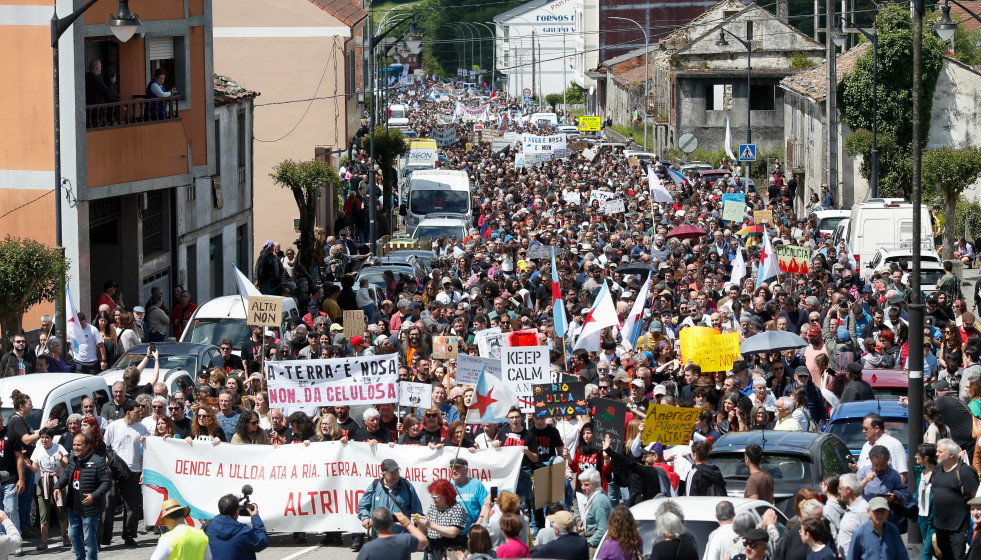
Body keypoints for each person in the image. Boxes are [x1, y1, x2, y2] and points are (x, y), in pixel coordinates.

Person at [53, 434, 111, 560]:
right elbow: (65, 476)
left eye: (79, 445)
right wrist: (57, 487)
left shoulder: (98, 461)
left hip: (90, 508)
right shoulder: (73, 460)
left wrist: (94, 496)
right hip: (74, 507)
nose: (75, 447)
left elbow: (107, 482)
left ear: (88, 446)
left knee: (89, 539)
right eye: (74, 444)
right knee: (73, 536)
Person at [102, 399, 149, 547]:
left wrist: (143, 469)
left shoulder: (142, 428)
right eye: (137, 411)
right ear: (128, 412)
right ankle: (105, 536)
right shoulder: (114, 426)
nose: (140, 414)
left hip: (133, 472)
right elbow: (106, 447)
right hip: (114, 472)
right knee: (108, 504)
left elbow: (148, 451)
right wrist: (108, 464)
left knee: (132, 506)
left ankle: (129, 535)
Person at [354, 459, 424, 551]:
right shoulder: (375, 486)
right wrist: (365, 518)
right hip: (379, 536)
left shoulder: (407, 486)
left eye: (397, 471)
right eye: (392, 473)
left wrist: (418, 528)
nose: (396, 475)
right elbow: (363, 505)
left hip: (401, 536)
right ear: (383, 474)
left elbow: (417, 509)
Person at [932, 439, 979, 560]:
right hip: (940, 524)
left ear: (951, 454)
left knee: (958, 556)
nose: (936, 454)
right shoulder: (937, 470)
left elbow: (975, 497)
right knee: (945, 555)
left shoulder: (964, 471)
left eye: (940, 451)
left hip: (958, 526)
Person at [27, 428, 69, 551]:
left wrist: (61, 459)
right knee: (44, 512)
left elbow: (66, 464)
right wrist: (29, 466)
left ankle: (64, 536)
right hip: (43, 480)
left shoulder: (59, 447)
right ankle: (44, 541)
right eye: (42, 437)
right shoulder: (38, 449)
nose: (44, 440)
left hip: (58, 480)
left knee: (61, 509)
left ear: (51, 438)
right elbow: (35, 468)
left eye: (47, 437)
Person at [203, 493, 268, 560]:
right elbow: (262, 542)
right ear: (237, 511)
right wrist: (255, 517)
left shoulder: (208, 527)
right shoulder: (243, 531)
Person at [416, 479, 467, 560]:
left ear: (446, 495)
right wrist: (420, 523)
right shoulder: (433, 507)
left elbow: (453, 533)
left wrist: (431, 525)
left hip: (449, 552)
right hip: (432, 551)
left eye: (436, 497)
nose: (434, 500)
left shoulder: (457, 509)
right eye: (432, 497)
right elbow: (425, 532)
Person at [356, 507, 428, 560]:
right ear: (391, 521)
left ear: (373, 525)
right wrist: (408, 524)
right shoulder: (405, 540)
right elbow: (423, 541)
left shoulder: (368, 548)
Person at [449, 458, 490, 532]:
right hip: (453, 533)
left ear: (466, 469)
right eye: (452, 468)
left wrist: (477, 525)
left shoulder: (476, 484)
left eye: (457, 467)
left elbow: (485, 505)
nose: (454, 471)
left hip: (473, 531)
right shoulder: (449, 486)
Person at [578, 468, 612, 554]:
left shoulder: (599, 501)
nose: (582, 488)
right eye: (581, 484)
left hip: (596, 547)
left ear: (596, 484)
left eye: (586, 485)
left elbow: (602, 530)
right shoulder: (594, 496)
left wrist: (588, 543)